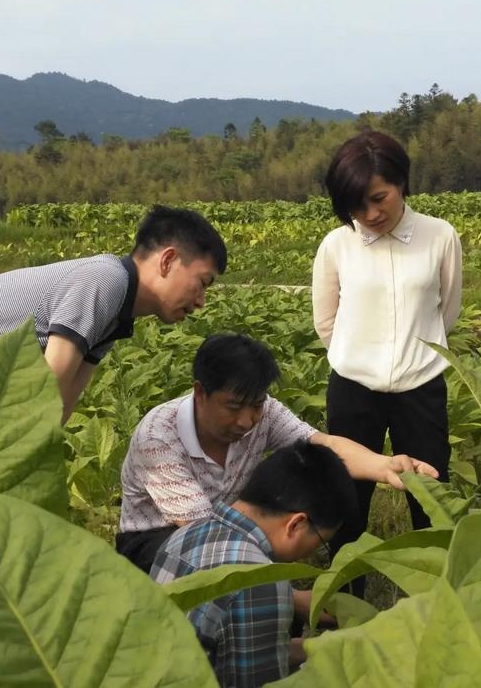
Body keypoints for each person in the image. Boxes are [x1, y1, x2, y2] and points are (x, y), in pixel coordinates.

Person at [117, 333, 438, 573]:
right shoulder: (159, 436)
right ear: (200, 393)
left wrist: (383, 466)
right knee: (234, 578)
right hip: (156, 540)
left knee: (257, 572)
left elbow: (321, 443)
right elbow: (202, 537)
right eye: (233, 407)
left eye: (255, 406)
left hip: (224, 528)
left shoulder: (264, 413)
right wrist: (291, 599)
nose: (246, 421)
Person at [311, 130, 462, 594]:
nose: (371, 214)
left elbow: (447, 309)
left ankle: (434, 596)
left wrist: (410, 356)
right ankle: (344, 599)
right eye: (357, 206)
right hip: (354, 390)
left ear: (402, 182)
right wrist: (363, 357)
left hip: (421, 388)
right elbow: (326, 320)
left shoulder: (439, 236)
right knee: (346, 496)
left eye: (379, 198)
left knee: (429, 495)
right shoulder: (337, 245)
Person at [0, 205, 227, 423]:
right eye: (202, 283)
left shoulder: (119, 312)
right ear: (168, 260)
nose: (201, 301)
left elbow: (61, 406)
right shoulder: (105, 280)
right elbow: (50, 385)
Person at [151, 439, 357, 688]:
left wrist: (322, 647)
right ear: (296, 525)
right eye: (321, 541)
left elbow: (235, 655)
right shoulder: (261, 581)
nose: (312, 552)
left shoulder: (185, 535)